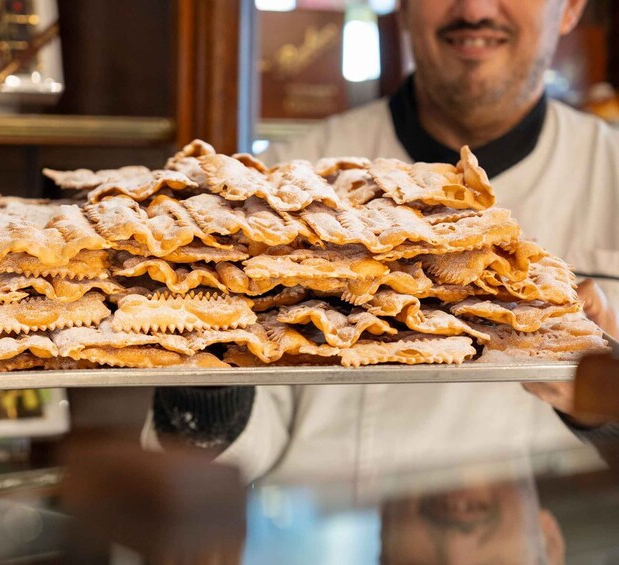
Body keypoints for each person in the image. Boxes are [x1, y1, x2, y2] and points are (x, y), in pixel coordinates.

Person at [144, 0, 619, 481]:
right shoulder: (273, 196)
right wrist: (205, 369)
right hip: (326, 519)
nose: (474, 8)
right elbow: (211, 467)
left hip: (552, 523)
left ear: (570, 8)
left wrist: (603, 405)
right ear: (404, 8)